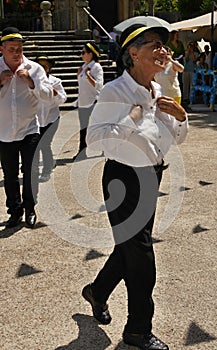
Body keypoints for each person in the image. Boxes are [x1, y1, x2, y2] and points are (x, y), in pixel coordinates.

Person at [82, 24, 188, 350]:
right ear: (134, 53)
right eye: (155, 44)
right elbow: (94, 138)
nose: (163, 51)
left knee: (130, 249)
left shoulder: (156, 89)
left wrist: (180, 117)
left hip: (150, 177)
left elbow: (170, 141)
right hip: (123, 180)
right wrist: (131, 118)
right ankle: (138, 330)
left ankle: (97, 292)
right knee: (142, 257)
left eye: (164, 45)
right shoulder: (116, 91)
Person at [0, 27, 53, 228]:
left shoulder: (34, 69)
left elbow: (48, 96)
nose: (16, 53)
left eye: (19, 49)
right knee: (9, 174)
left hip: (30, 129)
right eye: (12, 48)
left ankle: (30, 208)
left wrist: (30, 81)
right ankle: (15, 211)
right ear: (2, 49)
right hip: (3, 132)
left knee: (30, 172)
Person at [35, 55, 67, 182]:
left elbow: (63, 99)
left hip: (51, 118)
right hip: (36, 119)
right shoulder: (32, 81)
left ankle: (46, 170)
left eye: (45, 66)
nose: (42, 69)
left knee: (45, 144)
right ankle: (33, 169)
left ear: (49, 68)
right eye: (40, 66)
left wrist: (55, 94)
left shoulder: (56, 81)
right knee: (35, 145)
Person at [72, 41, 103, 160]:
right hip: (83, 101)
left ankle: (106, 148)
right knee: (83, 128)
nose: (82, 55)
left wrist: (89, 75)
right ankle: (82, 152)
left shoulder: (96, 67)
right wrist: (79, 74)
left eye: (83, 52)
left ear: (91, 54)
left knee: (99, 126)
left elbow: (98, 85)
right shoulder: (84, 66)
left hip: (94, 101)